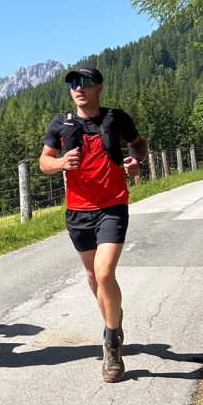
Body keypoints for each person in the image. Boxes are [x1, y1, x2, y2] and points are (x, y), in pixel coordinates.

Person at [38, 66, 148, 383]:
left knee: (104, 272)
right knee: (92, 276)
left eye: (85, 82)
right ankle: (113, 319)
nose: (79, 88)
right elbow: (44, 161)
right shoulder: (61, 123)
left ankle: (112, 343)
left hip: (112, 205)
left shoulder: (116, 118)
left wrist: (135, 162)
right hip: (77, 211)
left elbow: (139, 144)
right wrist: (60, 162)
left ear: (99, 87)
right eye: (74, 83)